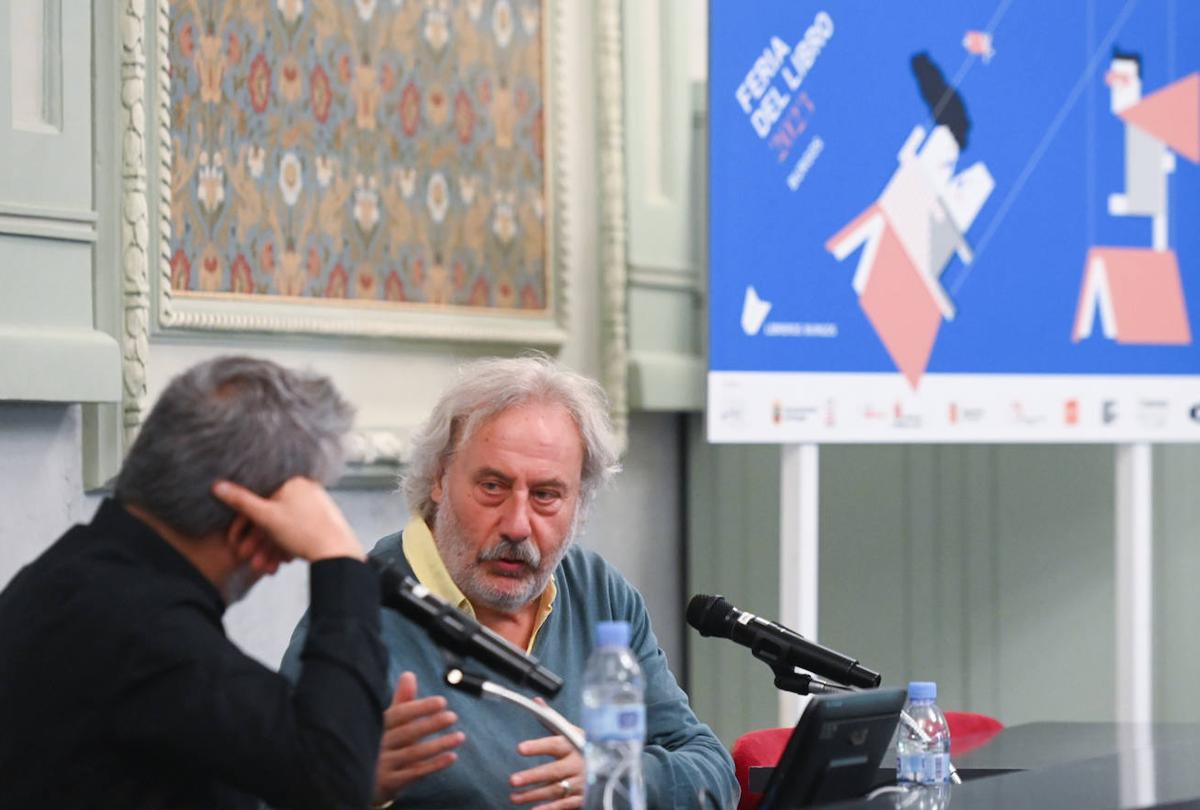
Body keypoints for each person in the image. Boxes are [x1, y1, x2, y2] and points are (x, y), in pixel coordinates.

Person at [282, 355, 739, 809]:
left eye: (545, 495)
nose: (517, 525)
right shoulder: (357, 610)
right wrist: (354, 787)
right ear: (440, 478)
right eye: (493, 487)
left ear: (579, 502)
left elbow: (712, 773)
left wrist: (617, 777)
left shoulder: (598, 592)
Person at [0, 356, 390, 809]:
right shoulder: (145, 631)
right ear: (252, 523)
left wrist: (355, 755)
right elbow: (332, 780)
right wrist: (337, 557)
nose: (281, 560)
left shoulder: (72, 578)